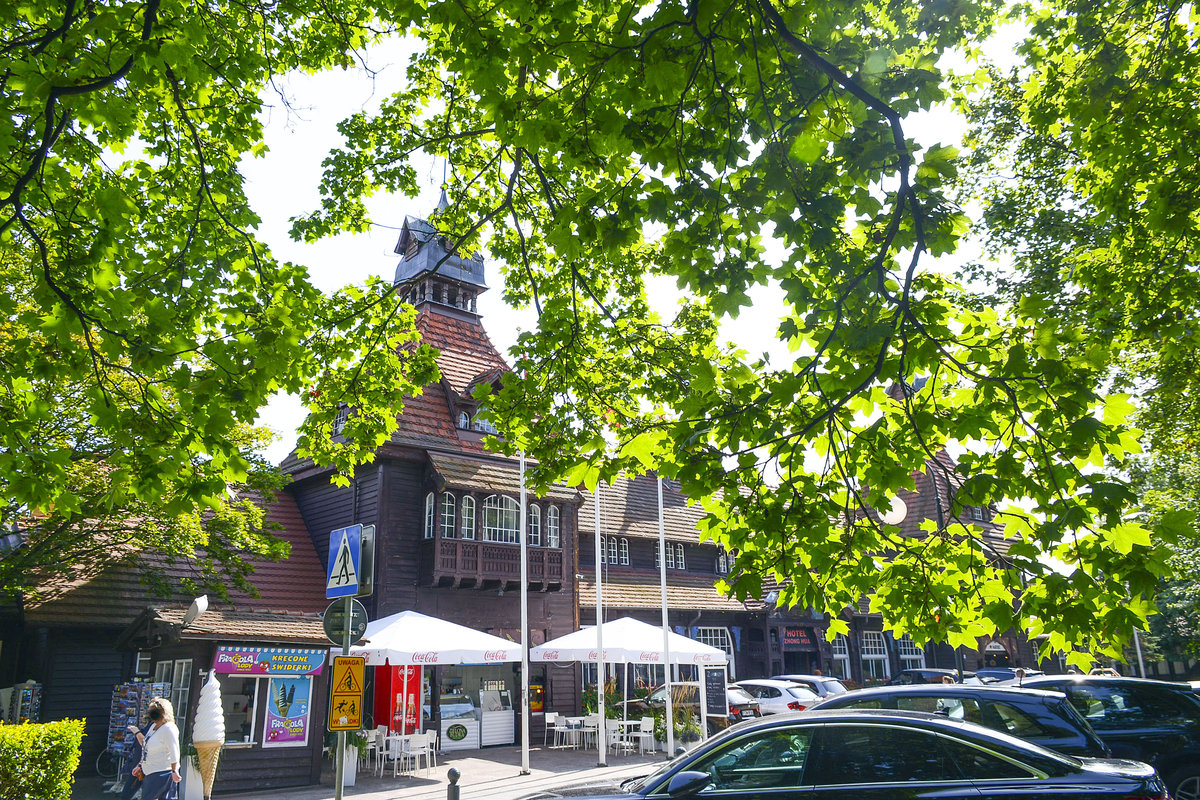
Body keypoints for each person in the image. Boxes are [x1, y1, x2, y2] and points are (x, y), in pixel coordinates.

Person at [138, 698, 181, 800]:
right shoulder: (153, 726)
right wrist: (140, 765)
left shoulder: (169, 728)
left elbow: (174, 750)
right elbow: (146, 746)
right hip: (150, 773)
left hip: (162, 772)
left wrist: (174, 771)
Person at [121, 720, 152, 800]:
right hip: (140, 764)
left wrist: (137, 732)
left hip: (146, 765)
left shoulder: (159, 727)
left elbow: (146, 744)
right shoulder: (151, 725)